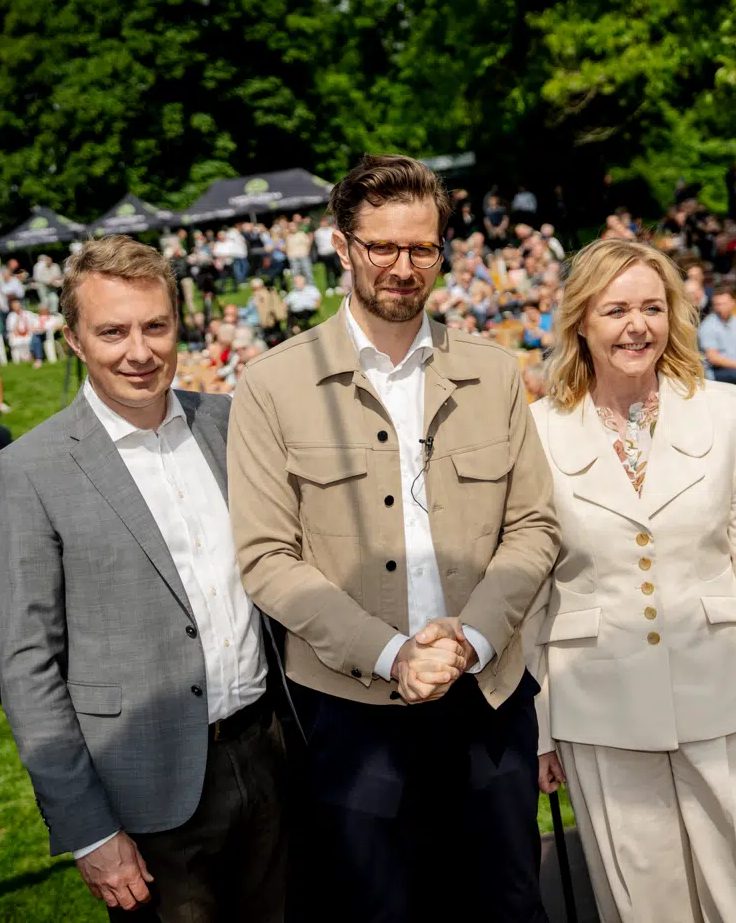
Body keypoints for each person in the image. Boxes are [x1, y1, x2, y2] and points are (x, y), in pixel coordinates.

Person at [228, 154, 559, 922]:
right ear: (342, 247)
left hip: (489, 696)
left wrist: (474, 637)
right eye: (382, 247)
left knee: (508, 903)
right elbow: (266, 559)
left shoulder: (495, 370)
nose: (403, 268)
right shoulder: (272, 384)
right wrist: (391, 654)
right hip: (352, 711)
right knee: (383, 909)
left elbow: (536, 525)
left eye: (422, 249)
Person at [0, 234, 288, 921]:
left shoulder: (228, 422)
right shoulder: (27, 472)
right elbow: (29, 665)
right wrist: (88, 828)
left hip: (269, 755)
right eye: (113, 331)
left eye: (156, 326)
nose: (140, 350)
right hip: (146, 798)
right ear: (73, 340)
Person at [527, 238, 736, 922]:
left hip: (724, 684)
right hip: (596, 700)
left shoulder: (722, 411)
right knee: (644, 897)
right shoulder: (536, 430)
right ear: (581, 322)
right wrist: (538, 726)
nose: (637, 326)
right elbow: (532, 589)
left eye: (652, 307)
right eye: (616, 309)